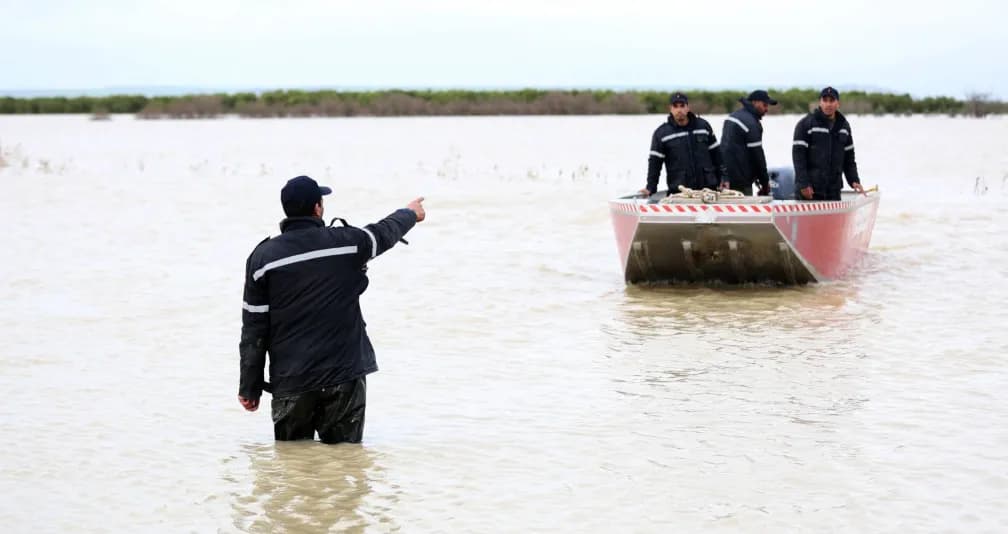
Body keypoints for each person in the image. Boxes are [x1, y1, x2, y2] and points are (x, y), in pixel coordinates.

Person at [238, 175, 425, 444]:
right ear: (317, 208)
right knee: (345, 462)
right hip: (343, 376)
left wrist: (250, 387)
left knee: (293, 468)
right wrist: (409, 213)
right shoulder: (347, 243)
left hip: (291, 381)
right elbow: (384, 233)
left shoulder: (262, 258)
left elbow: (254, 329)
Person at [639, 92, 725, 197]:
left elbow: (717, 155)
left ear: (687, 107)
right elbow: (655, 164)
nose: (679, 110)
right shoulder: (661, 134)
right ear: (670, 108)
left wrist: (724, 178)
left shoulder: (703, 126)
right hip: (680, 193)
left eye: (682, 106)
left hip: (708, 191)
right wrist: (650, 188)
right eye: (675, 106)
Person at [792, 86, 865, 200]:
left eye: (832, 101)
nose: (828, 104)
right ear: (820, 102)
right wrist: (803, 184)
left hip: (833, 191)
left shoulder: (844, 126)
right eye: (825, 100)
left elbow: (849, 159)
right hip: (810, 191)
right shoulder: (805, 124)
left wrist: (854, 180)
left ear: (838, 103)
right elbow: (798, 157)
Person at [721, 90, 778, 195]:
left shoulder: (732, 116)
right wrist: (765, 183)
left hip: (725, 179)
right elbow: (757, 156)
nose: (767, 109)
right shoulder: (751, 123)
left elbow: (723, 149)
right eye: (765, 105)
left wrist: (723, 177)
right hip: (741, 183)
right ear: (754, 102)